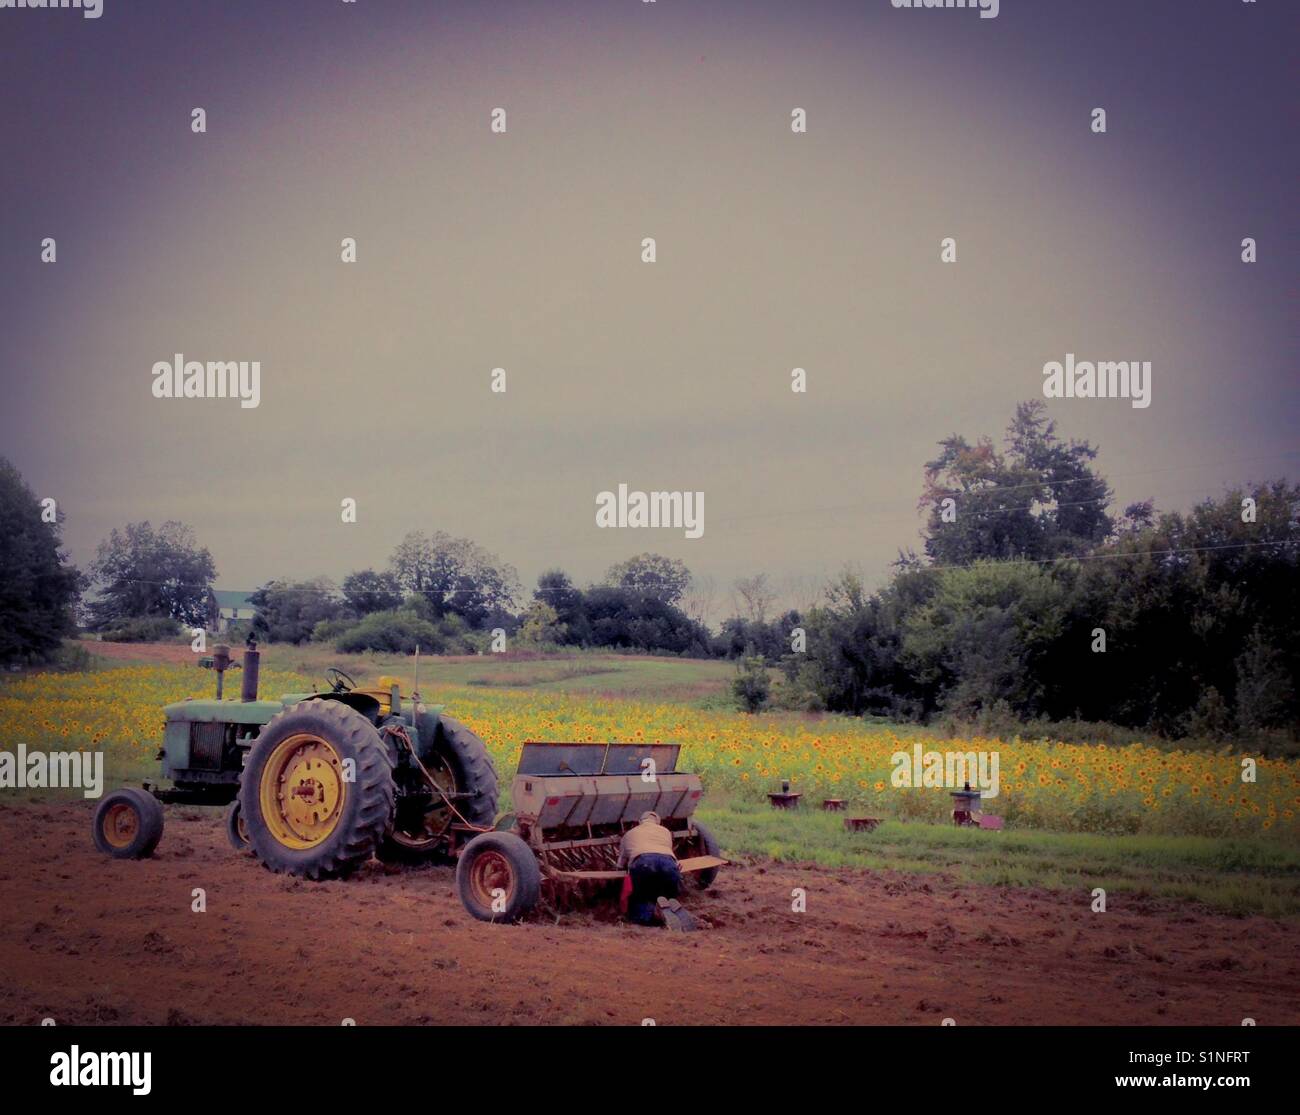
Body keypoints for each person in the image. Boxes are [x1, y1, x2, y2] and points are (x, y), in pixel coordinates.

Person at [618, 811, 686, 927]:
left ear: (640, 822)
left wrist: (620, 869)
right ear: (658, 822)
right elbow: (666, 850)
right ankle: (669, 909)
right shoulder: (665, 832)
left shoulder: (629, 834)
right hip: (669, 863)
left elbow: (621, 861)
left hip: (643, 862)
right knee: (667, 890)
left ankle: (646, 920)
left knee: (641, 896)